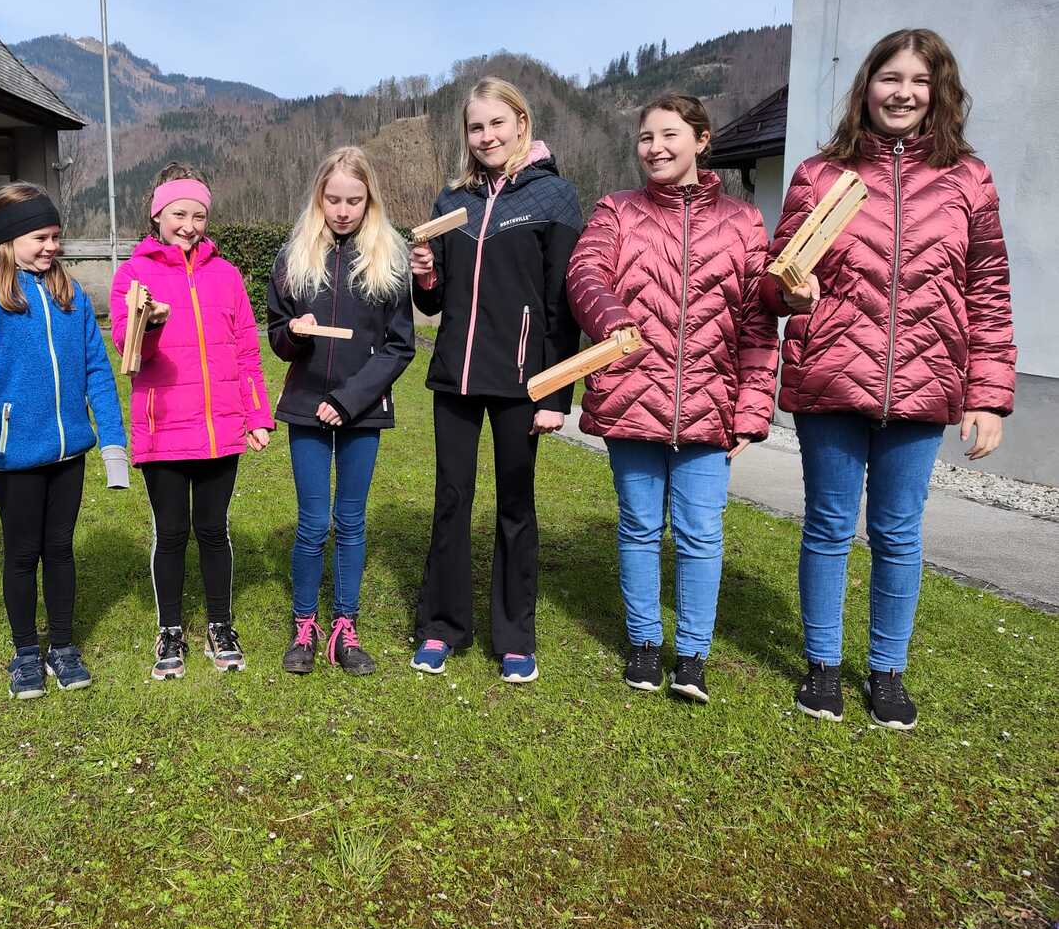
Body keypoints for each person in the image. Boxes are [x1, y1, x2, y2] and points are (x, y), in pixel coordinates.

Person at [763, 28, 1016, 730]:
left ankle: (887, 671)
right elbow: (776, 277)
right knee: (828, 525)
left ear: (939, 92)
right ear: (866, 86)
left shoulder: (968, 179)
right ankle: (822, 666)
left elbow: (988, 288)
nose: (903, 93)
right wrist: (790, 290)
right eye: (890, 78)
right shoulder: (821, 175)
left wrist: (988, 395)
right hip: (832, 376)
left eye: (919, 81)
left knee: (899, 533)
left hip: (925, 380)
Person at [567, 94, 778, 703]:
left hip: (712, 405)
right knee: (638, 527)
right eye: (645, 138)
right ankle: (644, 643)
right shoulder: (617, 211)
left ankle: (692, 656)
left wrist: (753, 408)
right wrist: (613, 322)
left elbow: (758, 323)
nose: (655, 148)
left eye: (669, 135)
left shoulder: (743, 222)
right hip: (632, 394)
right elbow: (584, 273)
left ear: (701, 140)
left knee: (701, 533)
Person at [408, 76, 584, 683]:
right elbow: (432, 304)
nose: (486, 136)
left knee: (515, 505)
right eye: (475, 127)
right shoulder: (451, 201)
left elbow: (561, 305)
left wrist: (555, 394)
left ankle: (514, 637)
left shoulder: (555, 197)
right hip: (455, 376)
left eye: (496, 123)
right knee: (451, 501)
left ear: (521, 124)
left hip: (522, 382)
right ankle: (442, 626)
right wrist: (425, 275)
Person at [0, 182, 129, 698]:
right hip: (16, 453)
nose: (51, 247)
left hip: (69, 452)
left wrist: (113, 446)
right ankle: (26, 652)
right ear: (10, 239)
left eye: (55, 236)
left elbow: (97, 371)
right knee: (23, 553)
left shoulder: (70, 294)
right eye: (40, 238)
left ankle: (63, 647)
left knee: (61, 549)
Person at [109, 163, 274, 680]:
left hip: (221, 429)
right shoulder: (133, 275)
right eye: (179, 214)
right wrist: (148, 324)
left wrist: (257, 414)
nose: (189, 225)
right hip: (163, 428)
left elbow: (247, 350)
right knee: (172, 532)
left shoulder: (226, 276)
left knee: (213, 530)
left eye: (199, 215)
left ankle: (220, 625)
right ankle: (170, 630)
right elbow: (126, 348)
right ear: (157, 215)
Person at [267, 146, 415, 676]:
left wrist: (349, 401)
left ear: (369, 199)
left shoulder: (389, 258)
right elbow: (277, 337)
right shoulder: (293, 257)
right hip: (306, 406)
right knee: (313, 523)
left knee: (350, 521)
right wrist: (293, 333)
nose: (344, 210)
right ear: (319, 198)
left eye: (354, 200)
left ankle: (345, 627)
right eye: (333, 199)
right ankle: (304, 625)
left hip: (362, 409)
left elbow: (400, 346)